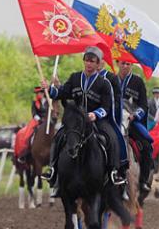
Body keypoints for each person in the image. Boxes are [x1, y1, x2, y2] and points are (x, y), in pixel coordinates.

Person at [41, 46, 125, 196]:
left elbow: (107, 106)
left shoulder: (104, 83)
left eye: (92, 61)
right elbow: (62, 93)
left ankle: (113, 172)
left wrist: (95, 114)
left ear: (98, 63)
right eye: (87, 60)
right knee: (59, 136)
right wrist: (50, 89)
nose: (89, 64)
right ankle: (53, 170)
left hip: (97, 120)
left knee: (112, 137)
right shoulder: (74, 78)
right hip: (76, 120)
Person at [118, 60, 154, 198]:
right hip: (114, 120)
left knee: (146, 145)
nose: (125, 66)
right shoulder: (110, 79)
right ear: (117, 64)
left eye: (128, 64)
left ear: (131, 65)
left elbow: (144, 105)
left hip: (131, 122)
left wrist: (135, 115)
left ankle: (143, 180)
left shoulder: (137, 82)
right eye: (122, 63)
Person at [14, 87, 47, 162]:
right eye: (38, 93)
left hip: (48, 121)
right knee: (29, 133)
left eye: (41, 93)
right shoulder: (34, 103)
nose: (40, 94)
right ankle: (25, 151)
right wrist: (40, 119)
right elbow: (34, 113)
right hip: (38, 121)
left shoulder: (48, 101)